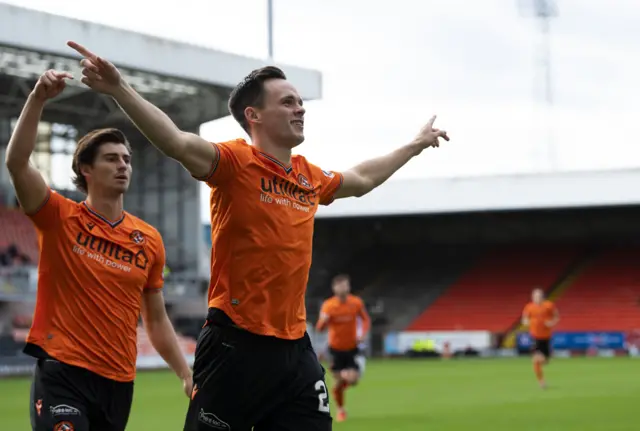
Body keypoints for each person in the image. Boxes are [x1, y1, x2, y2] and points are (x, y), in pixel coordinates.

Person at [67, 40, 449, 431]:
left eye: (300, 101)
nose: (300, 108)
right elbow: (176, 141)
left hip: (296, 351)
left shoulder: (308, 176)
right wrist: (118, 88)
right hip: (235, 344)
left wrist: (415, 145)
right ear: (254, 115)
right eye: (287, 102)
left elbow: (363, 178)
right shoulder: (234, 163)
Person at [4, 70, 193, 431]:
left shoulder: (148, 239)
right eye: (111, 158)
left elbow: (154, 319)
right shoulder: (58, 216)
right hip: (63, 371)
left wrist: (184, 371)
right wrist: (38, 99)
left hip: (118, 383)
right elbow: (16, 162)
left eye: (126, 159)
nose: (123, 165)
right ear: (85, 169)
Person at [315, 274, 371, 422]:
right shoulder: (328, 305)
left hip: (352, 348)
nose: (343, 288)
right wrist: (323, 320)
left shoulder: (356, 303)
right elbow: (319, 329)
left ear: (349, 287)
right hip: (335, 349)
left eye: (345, 285)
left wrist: (363, 333)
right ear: (334, 288)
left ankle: (340, 385)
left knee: (352, 380)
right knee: (339, 382)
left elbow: (366, 320)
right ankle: (340, 410)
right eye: (340, 286)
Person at [521, 288, 560, 389]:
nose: (536, 298)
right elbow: (525, 318)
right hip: (535, 337)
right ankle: (541, 382)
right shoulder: (529, 307)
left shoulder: (549, 305)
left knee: (545, 361)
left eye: (538, 296)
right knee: (536, 360)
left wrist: (551, 323)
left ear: (542, 297)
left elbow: (556, 316)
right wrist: (526, 322)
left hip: (546, 337)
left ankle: (548, 357)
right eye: (534, 296)